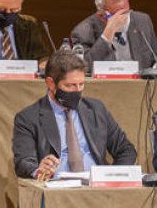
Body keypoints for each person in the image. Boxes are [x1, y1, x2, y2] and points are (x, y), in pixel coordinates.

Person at [12, 51, 137, 180]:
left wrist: (113, 177)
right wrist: (39, 170)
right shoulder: (28, 117)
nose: (77, 91)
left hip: (97, 188)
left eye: (81, 84)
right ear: (50, 83)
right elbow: (23, 162)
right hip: (57, 188)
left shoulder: (96, 109)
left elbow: (126, 150)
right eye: (70, 85)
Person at [70, 0, 157, 70]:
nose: (124, 19)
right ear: (101, 15)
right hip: (106, 86)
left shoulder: (142, 21)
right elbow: (83, 68)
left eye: (126, 12)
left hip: (140, 86)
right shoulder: (83, 31)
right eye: (117, 16)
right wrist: (106, 36)